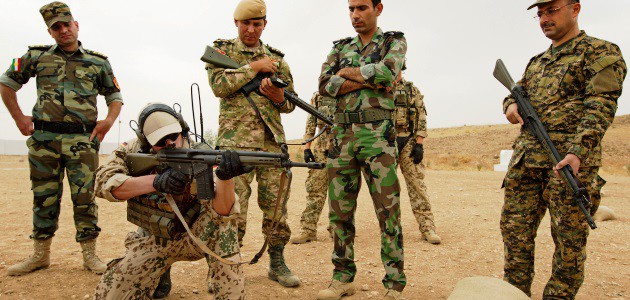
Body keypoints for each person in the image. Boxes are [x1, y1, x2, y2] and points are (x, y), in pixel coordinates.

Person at [501, 0, 626, 298]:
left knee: (569, 243)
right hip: (526, 162)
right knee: (515, 237)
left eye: (551, 10)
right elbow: (514, 93)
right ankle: (514, 294)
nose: (544, 18)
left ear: (575, 8)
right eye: (539, 14)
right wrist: (511, 104)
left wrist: (578, 152)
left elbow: (600, 105)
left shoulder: (601, 52)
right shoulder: (537, 62)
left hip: (568, 164)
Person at [0, 1, 122, 276]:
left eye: (67, 24)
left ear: (76, 25)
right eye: (57, 27)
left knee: (85, 198)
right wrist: (19, 118)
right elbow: (6, 82)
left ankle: (90, 255)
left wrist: (108, 122)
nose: (63, 30)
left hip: (82, 142)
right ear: (50, 32)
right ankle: (40, 255)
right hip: (45, 141)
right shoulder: (35, 56)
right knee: (44, 197)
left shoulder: (98, 61)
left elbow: (114, 95)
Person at [93, 103, 248, 299]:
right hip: (155, 238)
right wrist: (156, 182)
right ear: (146, 141)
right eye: (160, 141)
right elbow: (102, 183)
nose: (170, 144)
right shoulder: (132, 150)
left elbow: (222, 211)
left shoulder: (201, 154)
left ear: (182, 131)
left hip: (197, 236)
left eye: (173, 136)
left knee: (225, 228)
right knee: (110, 295)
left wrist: (226, 178)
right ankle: (160, 271)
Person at [205, 0, 300, 287]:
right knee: (232, 209)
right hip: (236, 147)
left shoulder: (278, 60)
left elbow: (290, 104)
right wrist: (253, 67)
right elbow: (219, 87)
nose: (251, 29)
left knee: (276, 209)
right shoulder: (222, 51)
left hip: (272, 145)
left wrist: (277, 98)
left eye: (257, 24)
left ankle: (277, 261)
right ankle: (224, 267)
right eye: (246, 23)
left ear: (264, 25)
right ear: (236, 23)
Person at [317, 0, 407, 299]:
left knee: (388, 212)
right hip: (342, 137)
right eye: (351, 9)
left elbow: (388, 74)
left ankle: (394, 284)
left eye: (362, 8)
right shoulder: (340, 47)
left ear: (378, 8)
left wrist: (347, 74)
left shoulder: (393, 41)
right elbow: (323, 85)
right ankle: (342, 277)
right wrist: (370, 79)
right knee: (339, 213)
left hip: (378, 136)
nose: (355, 15)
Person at [393, 78, 441, 245]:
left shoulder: (411, 90)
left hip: (408, 141)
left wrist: (419, 144)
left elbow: (421, 117)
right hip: (386, 143)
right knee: (387, 190)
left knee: (417, 186)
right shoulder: (379, 88)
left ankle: (427, 227)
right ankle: (391, 230)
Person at [291, 92, 336, 244]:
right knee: (315, 189)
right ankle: (308, 230)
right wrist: (307, 147)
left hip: (344, 151)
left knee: (341, 191)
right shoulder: (318, 96)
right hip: (322, 150)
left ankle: (338, 229)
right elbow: (310, 122)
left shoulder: (349, 93)